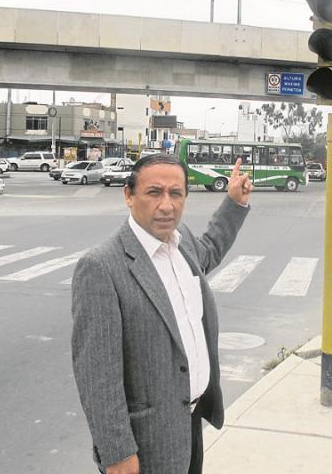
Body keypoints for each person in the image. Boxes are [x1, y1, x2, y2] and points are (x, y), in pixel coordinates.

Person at [72, 153, 253, 474]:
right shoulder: (102, 266)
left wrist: (234, 203)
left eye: (176, 193)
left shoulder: (182, 244)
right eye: (154, 192)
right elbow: (97, 375)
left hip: (190, 423)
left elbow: (210, 250)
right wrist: (117, 453)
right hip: (147, 441)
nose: (166, 205)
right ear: (129, 195)